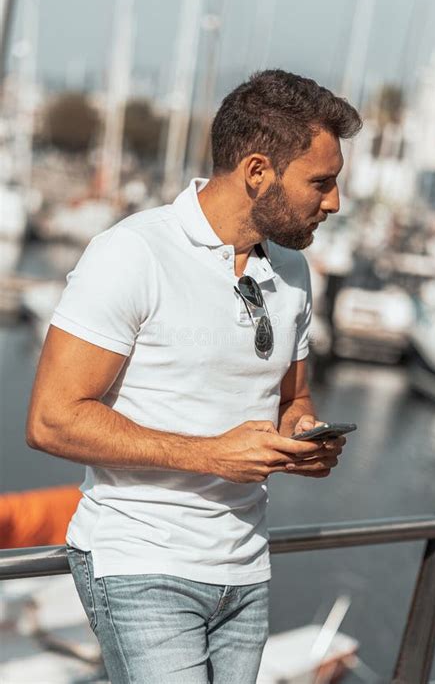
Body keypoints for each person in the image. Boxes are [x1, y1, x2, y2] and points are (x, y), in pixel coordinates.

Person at [26, 69, 361, 684]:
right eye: (322, 181)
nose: (335, 200)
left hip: (246, 569)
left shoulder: (293, 271)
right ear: (258, 171)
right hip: (140, 562)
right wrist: (211, 455)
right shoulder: (133, 253)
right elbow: (52, 418)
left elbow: (293, 396)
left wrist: (303, 436)